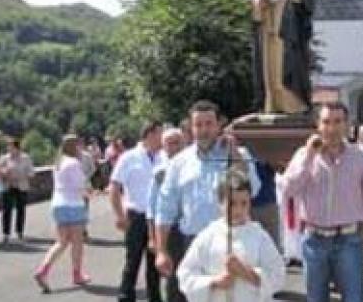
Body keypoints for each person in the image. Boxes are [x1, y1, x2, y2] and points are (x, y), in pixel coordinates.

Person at [280, 102, 363, 302]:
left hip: (348, 241)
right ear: (318, 126)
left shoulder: (360, 158)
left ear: (347, 125)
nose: (332, 128)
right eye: (326, 122)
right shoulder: (305, 156)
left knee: (354, 298)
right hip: (314, 241)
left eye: (338, 122)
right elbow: (288, 189)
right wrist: (309, 157)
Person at [154, 100, 261, 298]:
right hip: (190, 243)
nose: (204, 130)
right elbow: (165, 208)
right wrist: (161, 251)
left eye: (209, 124)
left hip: (229, 242)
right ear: (191, 128)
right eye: (198, 125)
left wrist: (234, 153)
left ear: (219, 125)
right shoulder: (179, 162)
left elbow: (253, 189)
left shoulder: (238, 155)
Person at [177, 170, 285, 302]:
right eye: (232, 204)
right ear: (220, 203)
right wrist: (214, 282)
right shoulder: (208, 236)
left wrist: (246, 272)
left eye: (244, 203)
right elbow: (185, 274)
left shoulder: (259, 236)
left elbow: (277, 274)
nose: (238, 210)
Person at [250, 0, 316, 113]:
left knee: (289, 62)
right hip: (269, 18)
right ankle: (271, 102)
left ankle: (293, 104)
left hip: (289, 23)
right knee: (269, 63)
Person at [110, 121, 165, 302]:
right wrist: (119, 215)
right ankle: (126, 296)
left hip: (157, 218)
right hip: (135, 215)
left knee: (154, 263)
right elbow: (115, 186)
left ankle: (154, 298)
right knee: (132, 260)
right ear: (149, 135)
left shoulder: (163, 157)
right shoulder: (129, 157)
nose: (162, 138)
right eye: (159, 134)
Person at [33, 135, 92, 293]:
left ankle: (43, 270)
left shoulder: (58, 163)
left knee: (61, 242)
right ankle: (77, 273)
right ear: (74, 147)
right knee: (77, 242)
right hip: (74, 204)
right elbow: (81, 185)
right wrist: (89, 192)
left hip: (58, 203)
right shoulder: (74, 163)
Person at [145, 128, 186, 302]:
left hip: (191, 228)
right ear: (163, 147)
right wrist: (153, 238)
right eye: (170, 143)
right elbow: (151, 208)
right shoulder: (160, 173)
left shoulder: (192, 166)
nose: (174, 147)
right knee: (173, 277)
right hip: (170, 230)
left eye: (177, 142)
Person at [0, 137, 34, 243]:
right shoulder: (4, 158)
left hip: (21, 186)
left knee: (21, 210)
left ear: (17, 148)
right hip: (8, 186)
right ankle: (6, 234)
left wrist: (22, 176)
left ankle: (19, 232)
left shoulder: (26, 158)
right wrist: (5, 172)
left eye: (11, 147)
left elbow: (31, 173)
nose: (9, 149)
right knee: (6, 211)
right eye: (8, 147)